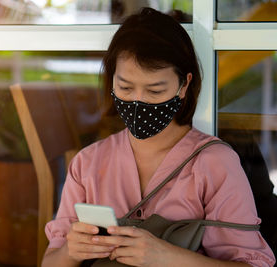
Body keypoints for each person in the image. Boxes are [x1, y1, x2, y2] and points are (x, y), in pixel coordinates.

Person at [41, 7, 276, 267]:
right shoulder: (88, 163)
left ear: (184, 85)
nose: (138, 101)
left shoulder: (215, 163)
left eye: (155, 90)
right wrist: (70, 252)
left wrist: (167, 257)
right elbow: (51, 261)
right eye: (125, 87)